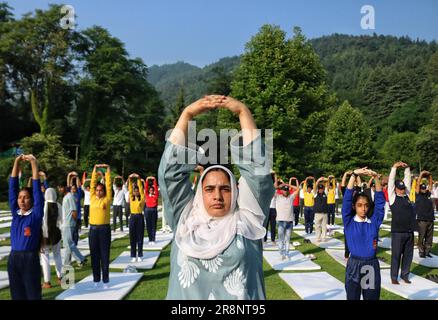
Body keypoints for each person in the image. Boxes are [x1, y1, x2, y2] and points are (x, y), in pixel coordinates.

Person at [158, 95, 274, 299]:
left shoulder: (248, 221)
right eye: (209, 189)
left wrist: (243, 112)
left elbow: (259, 175)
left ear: (236, 192)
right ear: (199, 193)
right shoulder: (184, 218)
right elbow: (168, 174)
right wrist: (187, 114)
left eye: (225, 189)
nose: (217, 196)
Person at [342, 167, 384, 300]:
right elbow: (347, 198)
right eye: (359, 205)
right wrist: (354, 175)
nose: (363, 208)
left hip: (370, 266)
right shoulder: (348, 221)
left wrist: (376, 177)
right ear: (354, 207)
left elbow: (380, 202)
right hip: (354, 265)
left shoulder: (374, 222)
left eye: (366, 205)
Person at [8, 154, 44, 300]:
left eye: (26, 197)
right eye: (20, 197)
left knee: (32, 295)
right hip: (14, 258)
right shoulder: (16, 213)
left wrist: (34, 163)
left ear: (32, 200)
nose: (22, 200)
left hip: (30, 258)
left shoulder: (35, 214)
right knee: (17, 295)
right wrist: (17, 162)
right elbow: (13, 185)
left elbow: (36, 188)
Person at [388, 161, 416, 285]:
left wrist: (407, 169)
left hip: (409, 231)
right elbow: (390, 182)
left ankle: (405, 275)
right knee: (396, 255)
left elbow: (408, 181)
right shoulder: (393, 197)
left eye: (403, 188)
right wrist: (394, 168)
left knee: (408, 256)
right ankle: (394, 277)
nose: (402, 190)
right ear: (396, 189)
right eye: (400, 189)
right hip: (397, 232)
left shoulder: (408, 195)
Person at [89, 164, 113, 288]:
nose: (98, 191)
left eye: (100, 190)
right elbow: (92, 184)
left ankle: (105, 280)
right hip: (92, 229)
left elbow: (108, 185)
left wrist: (107, 169)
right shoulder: (92, 197)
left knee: (104, 255)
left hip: (104, 230)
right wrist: (95, 170)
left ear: (104, 191)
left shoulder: (107, 199)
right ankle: (96, 280)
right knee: (94, 255)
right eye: (97, 190)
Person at [59, 182, 86, 268]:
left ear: (65, 187)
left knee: (68, 244)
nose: (59, 190)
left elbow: (74, 211)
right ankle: (80, 259)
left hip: (69, 224)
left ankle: (72, 261)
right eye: (58, 188)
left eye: (61, 187)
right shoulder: (66, 197)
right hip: (65, 224)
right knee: (68, 244)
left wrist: (73, 223)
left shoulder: (69, 197)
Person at [40, 188, 63, 289]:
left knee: (45, 259)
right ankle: (60, 277)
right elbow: (61, 221)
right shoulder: (58, 205)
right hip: (56, 234)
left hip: (46, 235)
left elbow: (43, 222)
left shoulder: (44, 205)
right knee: (57, 256)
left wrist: (43, 237)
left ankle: (47, 281)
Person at [274, 181, 299, 260]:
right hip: (281, 221)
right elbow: (272, 189)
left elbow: (298, 189)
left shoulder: (291, 197)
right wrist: (279, 186)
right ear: (281, 191)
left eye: (287, 190)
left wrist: (288, 185)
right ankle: (281, 253)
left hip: (289, 222)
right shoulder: (278, 197)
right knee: (281, 239)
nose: (286, 191)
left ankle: (287, 253)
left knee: (287, 239)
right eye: (284, 190)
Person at [414, 171, 434, 258]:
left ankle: (427, 251)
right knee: (421, 236)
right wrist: (421, 175)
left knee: (429, 237)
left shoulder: (428, 194)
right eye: (422, 188)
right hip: (421, 219)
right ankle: (421, 251)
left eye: (424, 188)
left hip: (430, 218)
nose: (423, 189)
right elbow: (418, 184)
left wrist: (430, 176)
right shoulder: (418, 195)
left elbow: (430, 184)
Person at [128, 173, 145, 262]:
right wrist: (130, 179)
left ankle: (140, 255)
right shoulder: (131, 198)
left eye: (136, 191)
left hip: (139, 217)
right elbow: (130, 189)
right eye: (134, 191)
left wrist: (138, 178)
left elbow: (142, 190)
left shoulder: (142, 198)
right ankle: (133, 255)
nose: (135, 192)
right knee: (132, 237)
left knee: (140, 236)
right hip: (132, 217)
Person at [67, 172, 83, 245]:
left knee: (76, 232)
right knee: (70, 231)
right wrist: (69, 175)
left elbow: (79, 186)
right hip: (70, 217)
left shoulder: (78, 195)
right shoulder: (69, 195)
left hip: (77, 216)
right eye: (72, 189)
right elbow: (68, 185)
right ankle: (71, 243)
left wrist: (77, 177)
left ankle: (75, 244)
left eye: (74, 189)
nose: (73, 190)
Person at [145, 176, 159, 244]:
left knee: (153, 225)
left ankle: (153, 239)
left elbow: (156, 188)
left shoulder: (155, 195)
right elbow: (145, 187)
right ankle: (150, 239)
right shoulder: (147, 195)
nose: (151, 191)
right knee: (148, 225)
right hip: (147, 210)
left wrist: (154, 180)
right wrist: (147, 180)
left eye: (152, 190)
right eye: (150, 190)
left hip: (154, 210)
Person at [314, 177, 329, 243]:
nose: (320, 190)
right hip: (317, 213)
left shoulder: (325, 194)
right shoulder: (315, 194)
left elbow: (327, 185)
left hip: (325, 213)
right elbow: (315, 187)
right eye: (319, 189)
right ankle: (318, 238)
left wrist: (326, 179)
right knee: (317, 226)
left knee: (324, 226)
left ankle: (324, 238)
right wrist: (318, 180)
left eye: (322, 189)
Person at [264, 172, 277, 244]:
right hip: (266, 208)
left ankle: (273, 239)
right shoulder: (265, 190)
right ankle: (264, 239)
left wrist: (275, 176)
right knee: (265, 225)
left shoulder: (274, 190)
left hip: (273, 209)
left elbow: (275, 184)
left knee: (273, 225)